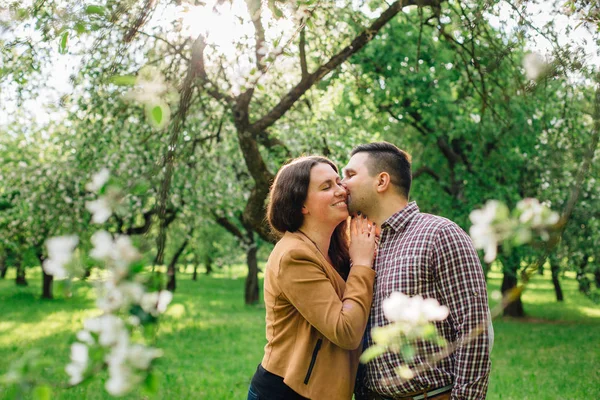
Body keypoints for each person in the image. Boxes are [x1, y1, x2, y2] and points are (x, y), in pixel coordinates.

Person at [342, 142, 492, 400]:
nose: (341, 184)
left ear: (381, 181)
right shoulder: (362, 246)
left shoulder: (440, 234)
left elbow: (474, 330)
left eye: (350, 175)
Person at [248, 156, 378, 400]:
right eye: (327, 186)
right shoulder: (294, 256)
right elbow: (346, 331)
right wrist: (362, 264)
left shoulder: (333, 249)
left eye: (339, 182)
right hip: (289, 392)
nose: (341, 190)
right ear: (301, 206)